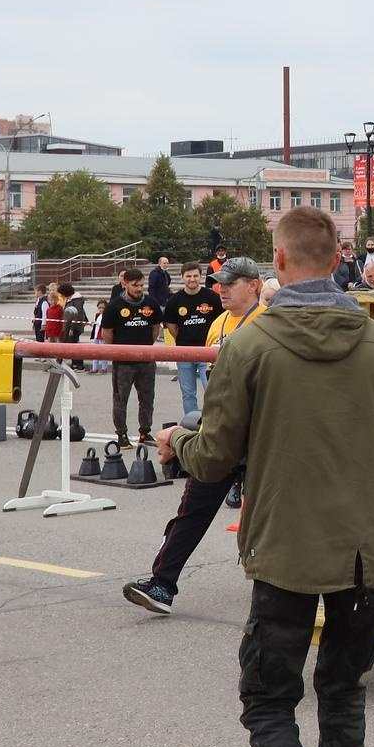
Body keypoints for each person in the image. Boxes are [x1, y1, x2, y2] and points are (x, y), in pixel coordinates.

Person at [162, 207, 374, 747]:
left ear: (280, 260)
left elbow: (215, 453)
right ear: (335, 258)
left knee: (269, 698)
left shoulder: (253, 343)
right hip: (368, 546)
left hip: (288, 546)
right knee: (343, 690)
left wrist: (176, 438)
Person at [124, 257, 268, 613]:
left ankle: (279, 587)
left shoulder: (268, 322)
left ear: (254, 285)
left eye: (230, 283)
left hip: (261, 432)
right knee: (193, 508)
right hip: (221, 430)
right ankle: (161, 585)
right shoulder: (218, 322)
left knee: (269, 514)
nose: (221, 289)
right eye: (219, 282)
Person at [99, 267, 163, 444]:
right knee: (120, 400)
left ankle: (144, 431)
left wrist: (146, 348)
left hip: (146, 360)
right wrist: (116, 352)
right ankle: (121, 433)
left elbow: (155, 328)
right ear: (125, 283)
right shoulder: (114, 306)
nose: (139, 289)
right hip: (123, 363)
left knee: (147, 399)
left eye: (142, 285)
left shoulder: (150, 303)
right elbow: (107, 333)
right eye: (135, 285)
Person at [168, 262, 225, 426]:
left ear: (200, 277)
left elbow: (221, 320)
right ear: (182, 277)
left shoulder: (212, 297)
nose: (192, 279)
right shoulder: (175, 300)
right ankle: (192, 424)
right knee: (188, 393)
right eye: (188, 276)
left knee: (211, 390)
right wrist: (182, 338)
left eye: (195, 276)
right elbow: (171, 326)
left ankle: (213, 423)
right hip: (184, 352)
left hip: (207, 352)